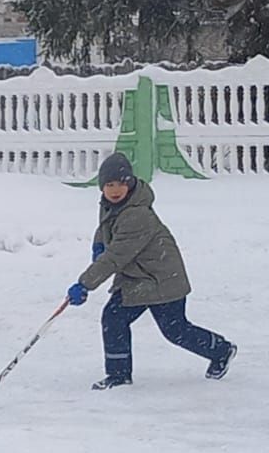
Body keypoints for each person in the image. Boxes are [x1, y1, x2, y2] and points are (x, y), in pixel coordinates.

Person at [65, 152, 236, 389]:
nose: (115, 190)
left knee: (175, 330)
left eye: (121, 184)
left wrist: (85, 283)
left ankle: (221, 350)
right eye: (109, 185)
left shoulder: (138, 215)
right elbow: (106, 228)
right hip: (136, 278)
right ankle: (119, 375)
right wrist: (99, 244)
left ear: (130, 183)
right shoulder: (113, 205)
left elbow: (115, 257)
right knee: (114, 318)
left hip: (162, 279)